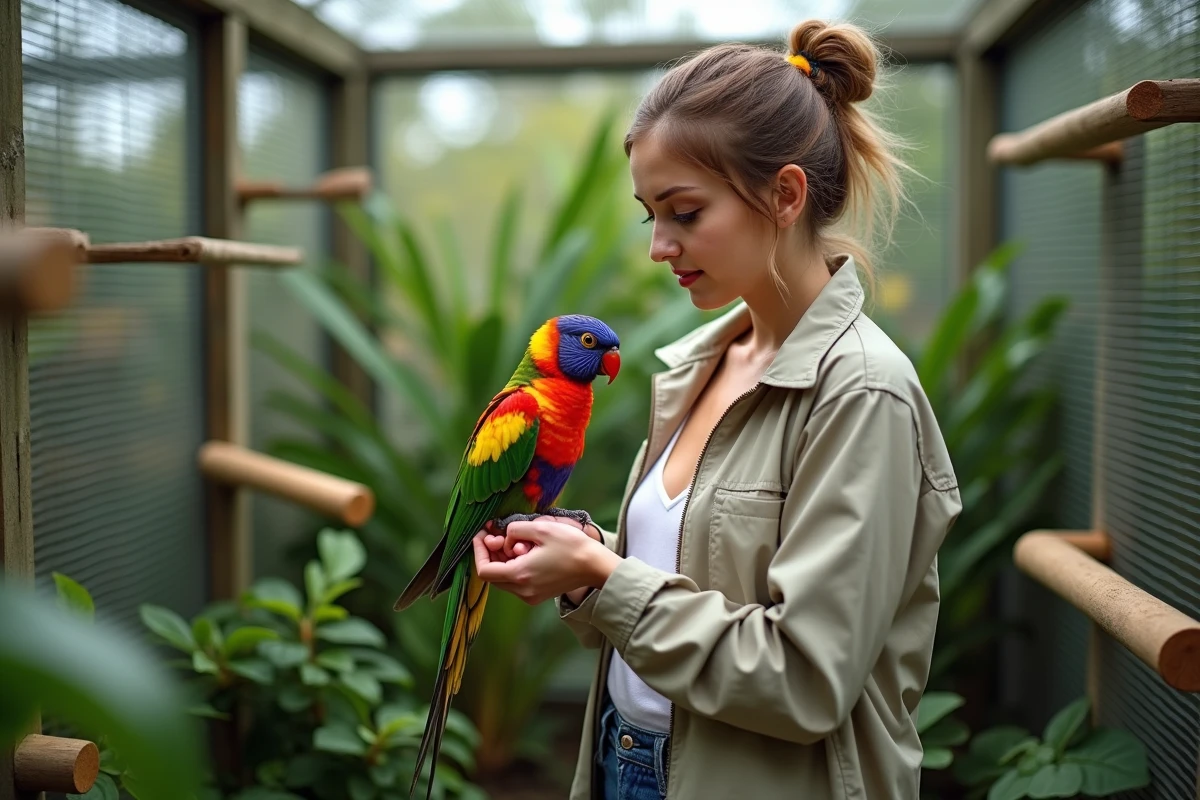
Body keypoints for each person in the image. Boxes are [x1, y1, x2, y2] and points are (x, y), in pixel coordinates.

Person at [472, 18, 962, 800]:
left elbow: (805, 678)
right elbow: (696, 580)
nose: (659, 245)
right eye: (649, 215)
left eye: (685, 212)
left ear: (785, 194)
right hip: (623, 760)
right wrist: (578, 557)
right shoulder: (701, 366)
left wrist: (606, 581)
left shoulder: (862, 393)